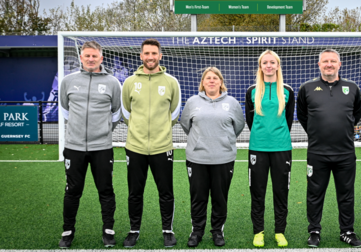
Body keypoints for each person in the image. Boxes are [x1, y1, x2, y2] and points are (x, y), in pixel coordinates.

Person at [58, 41, 122, 248]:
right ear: (81, 58)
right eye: (87, 56)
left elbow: (115, 114)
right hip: (74, 147)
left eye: (95, 56)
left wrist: (102, 132)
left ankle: (108, 231)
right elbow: (66, 110)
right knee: (72, 191)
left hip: (102, 147)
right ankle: (67, 232)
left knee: (106, 190)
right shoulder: (68, 81)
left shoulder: (112, 82)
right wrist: (76, 132)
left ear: (101, 58)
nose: (91, 59)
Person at [297, 49, 361, 248]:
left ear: (339, 64)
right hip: (318, 153)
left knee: (346, 194)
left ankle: (347, 231)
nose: (329, 64)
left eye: (333, 61)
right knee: (315, 194)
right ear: (319, 65)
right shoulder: (307, 88)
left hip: (345, 153)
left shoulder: (352, 88)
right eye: (325, 61)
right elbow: (302, 116)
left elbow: (356, 115)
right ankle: (314, 231)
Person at [121, 38, 181, 248]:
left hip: (162, 146)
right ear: (141, 56)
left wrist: (160, 129)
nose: (150, 57)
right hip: (135, 147)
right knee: (135, 192)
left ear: (160, 56)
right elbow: (126, 112)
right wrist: (138, 130)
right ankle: (133, 230)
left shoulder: (171, 82)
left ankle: (167, 230)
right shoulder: (129, 82)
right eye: (146, 53)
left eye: (154, 53)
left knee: (165, 192)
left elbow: (174, 113)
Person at [180, 67, 245, 247]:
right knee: (198, 197)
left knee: (219, 197)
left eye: (215, 78)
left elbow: (238, 126)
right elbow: (186, 125)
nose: (211, 81)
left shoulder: (232, 103)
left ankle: (217, 231)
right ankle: (197, 231)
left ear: (221, 82)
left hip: (223, 159)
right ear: (202, 83)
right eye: (207, 78)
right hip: (197, 158)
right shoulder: (193, 101)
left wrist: (223, 140)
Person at [245, 49, 295, 248]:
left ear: (277, 65)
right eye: (264, 62)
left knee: (281, 192)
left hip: (282, 148)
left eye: (272, 62)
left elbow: (289, 120)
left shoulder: (287, 90)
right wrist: (263, 136)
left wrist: (277, 136)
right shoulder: (252, 90)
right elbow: (251, 120)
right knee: (257, 192)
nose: (268, 66)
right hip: (258, 148)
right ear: (260, 66)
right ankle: (258, 231)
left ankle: (279, 231)